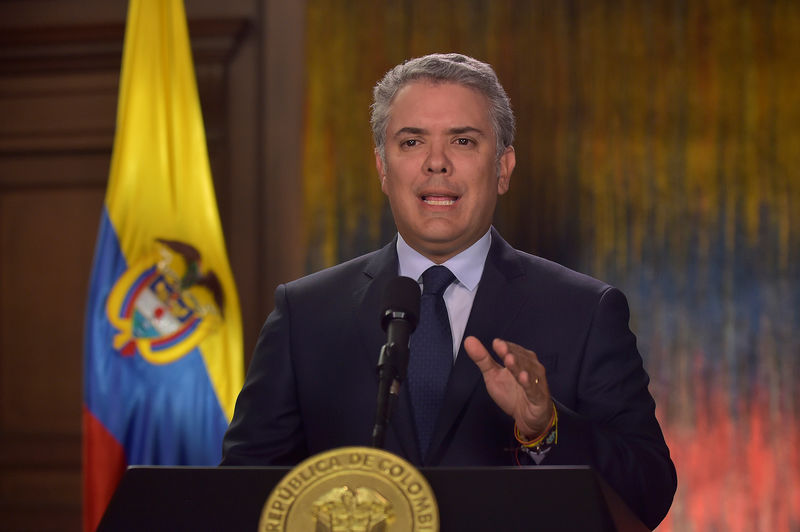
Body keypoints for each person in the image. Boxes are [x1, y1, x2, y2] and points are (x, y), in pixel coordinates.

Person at [221, 53, 676, 529]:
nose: (436, 163)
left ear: (503, 168)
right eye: (412, 141)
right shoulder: (305, 313)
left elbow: (648, 494)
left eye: (463, 140)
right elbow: (241, 494)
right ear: (381, 167)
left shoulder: (584, 311)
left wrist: (545, 429)